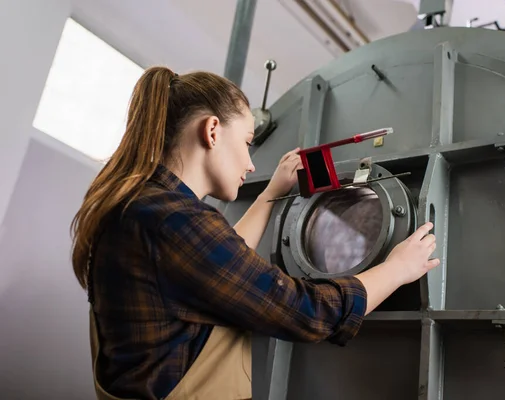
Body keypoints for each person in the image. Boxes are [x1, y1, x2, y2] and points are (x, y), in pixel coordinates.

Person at [71, 66, 439, 400]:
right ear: (212, 130)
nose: (250, 164)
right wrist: (397, 270)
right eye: (247, 143)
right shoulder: (173, 220)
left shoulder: (141, 208)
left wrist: (270, 194)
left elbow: (221, 269)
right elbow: (307, 312)